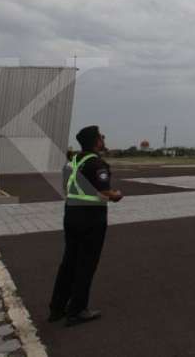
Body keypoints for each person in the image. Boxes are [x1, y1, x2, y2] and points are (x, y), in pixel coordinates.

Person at [49, 125, 123, 326]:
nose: (103, 139)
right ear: (96, 141)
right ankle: (77, 310)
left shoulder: (71, 162)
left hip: (71, 214)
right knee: (86, 264)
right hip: (91, 219)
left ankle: (57, 308)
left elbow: (67, 188)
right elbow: (106, 192)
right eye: (101, 136)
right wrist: (117, 195)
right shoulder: (97, 164)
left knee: (69, 262)